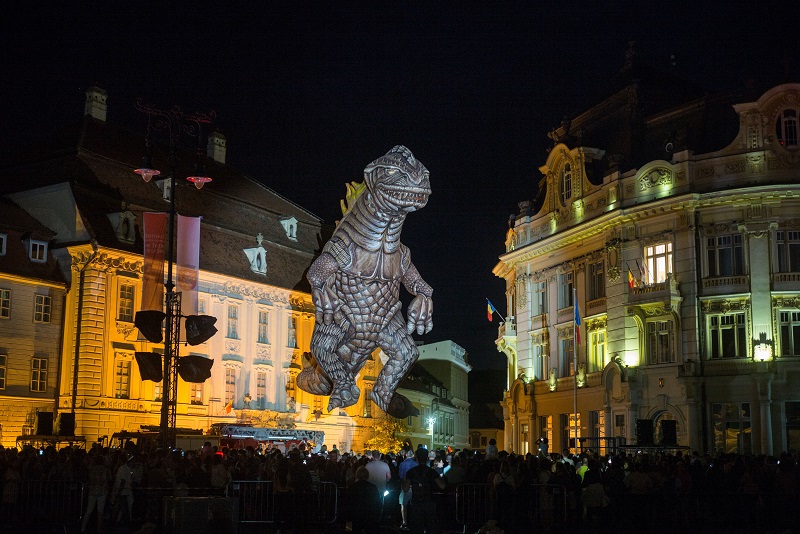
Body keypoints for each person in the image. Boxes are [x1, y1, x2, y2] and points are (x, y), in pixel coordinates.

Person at [403, 447, 446, 534]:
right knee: (431, 528)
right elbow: (442, 486)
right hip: (429, 502)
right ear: (427, 458)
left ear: (416, 458)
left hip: (416, 503)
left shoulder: (411, 472)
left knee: (416, 529)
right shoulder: (431, 471)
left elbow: (405, 488)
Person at [345, 466, 382, 534]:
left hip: (356, 514)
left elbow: (348, 501)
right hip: (369, 514)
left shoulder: (352, 487)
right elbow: (378, 502)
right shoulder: (372, 487)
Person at [81, 454, 112, 533]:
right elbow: (110, 479)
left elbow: (90, 479)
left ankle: (83, 527)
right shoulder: (106, 469)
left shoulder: (92, 469)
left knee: (89, 510)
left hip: (92, 491)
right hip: (102, 491)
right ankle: (99, 529)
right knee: (100, 511)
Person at [398, 449, 418, 531]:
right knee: (414, 505)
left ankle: (404, 522)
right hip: (414, 486)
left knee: (403, 505)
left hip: (405, 486)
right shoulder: (416, 464)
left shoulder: (403, 464)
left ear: (406, 455)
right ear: (413, 455)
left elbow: (401, 476)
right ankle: (415, 521)